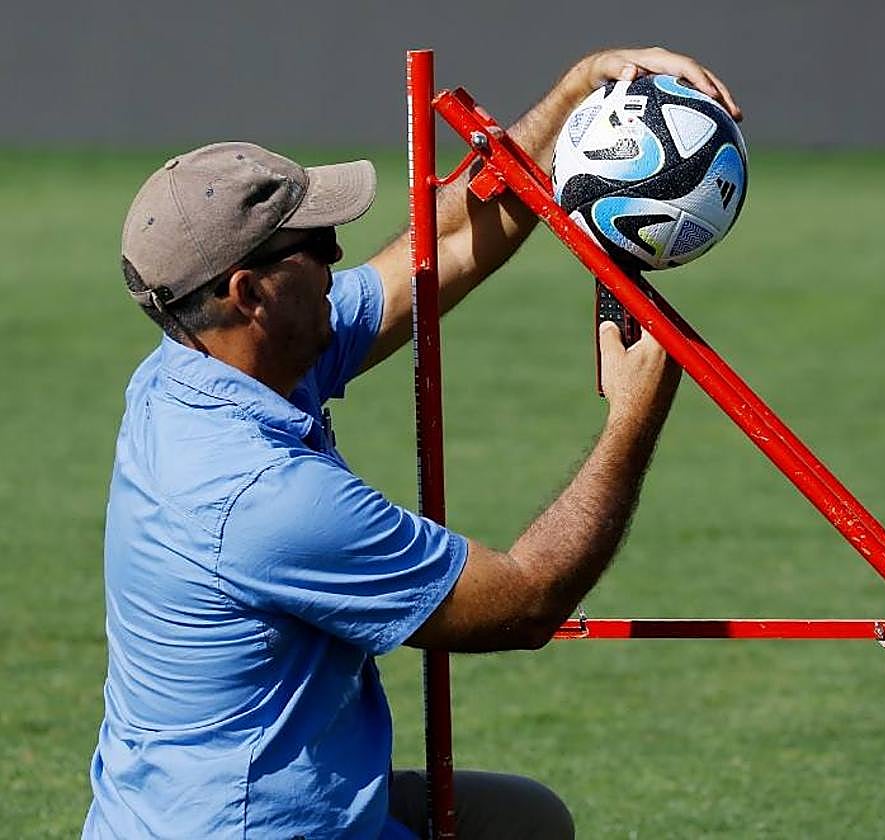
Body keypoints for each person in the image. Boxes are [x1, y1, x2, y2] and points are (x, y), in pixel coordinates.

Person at [85, 48, 740, 839]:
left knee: (526, 821)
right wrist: (633, 416)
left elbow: (446, 248)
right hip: (254, 825)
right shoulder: (262, 498)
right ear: (248, 293)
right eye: (315, 247)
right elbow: (526, 601)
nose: (337, 259)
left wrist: (576, 95)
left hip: (199, 802)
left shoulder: (194, 368)